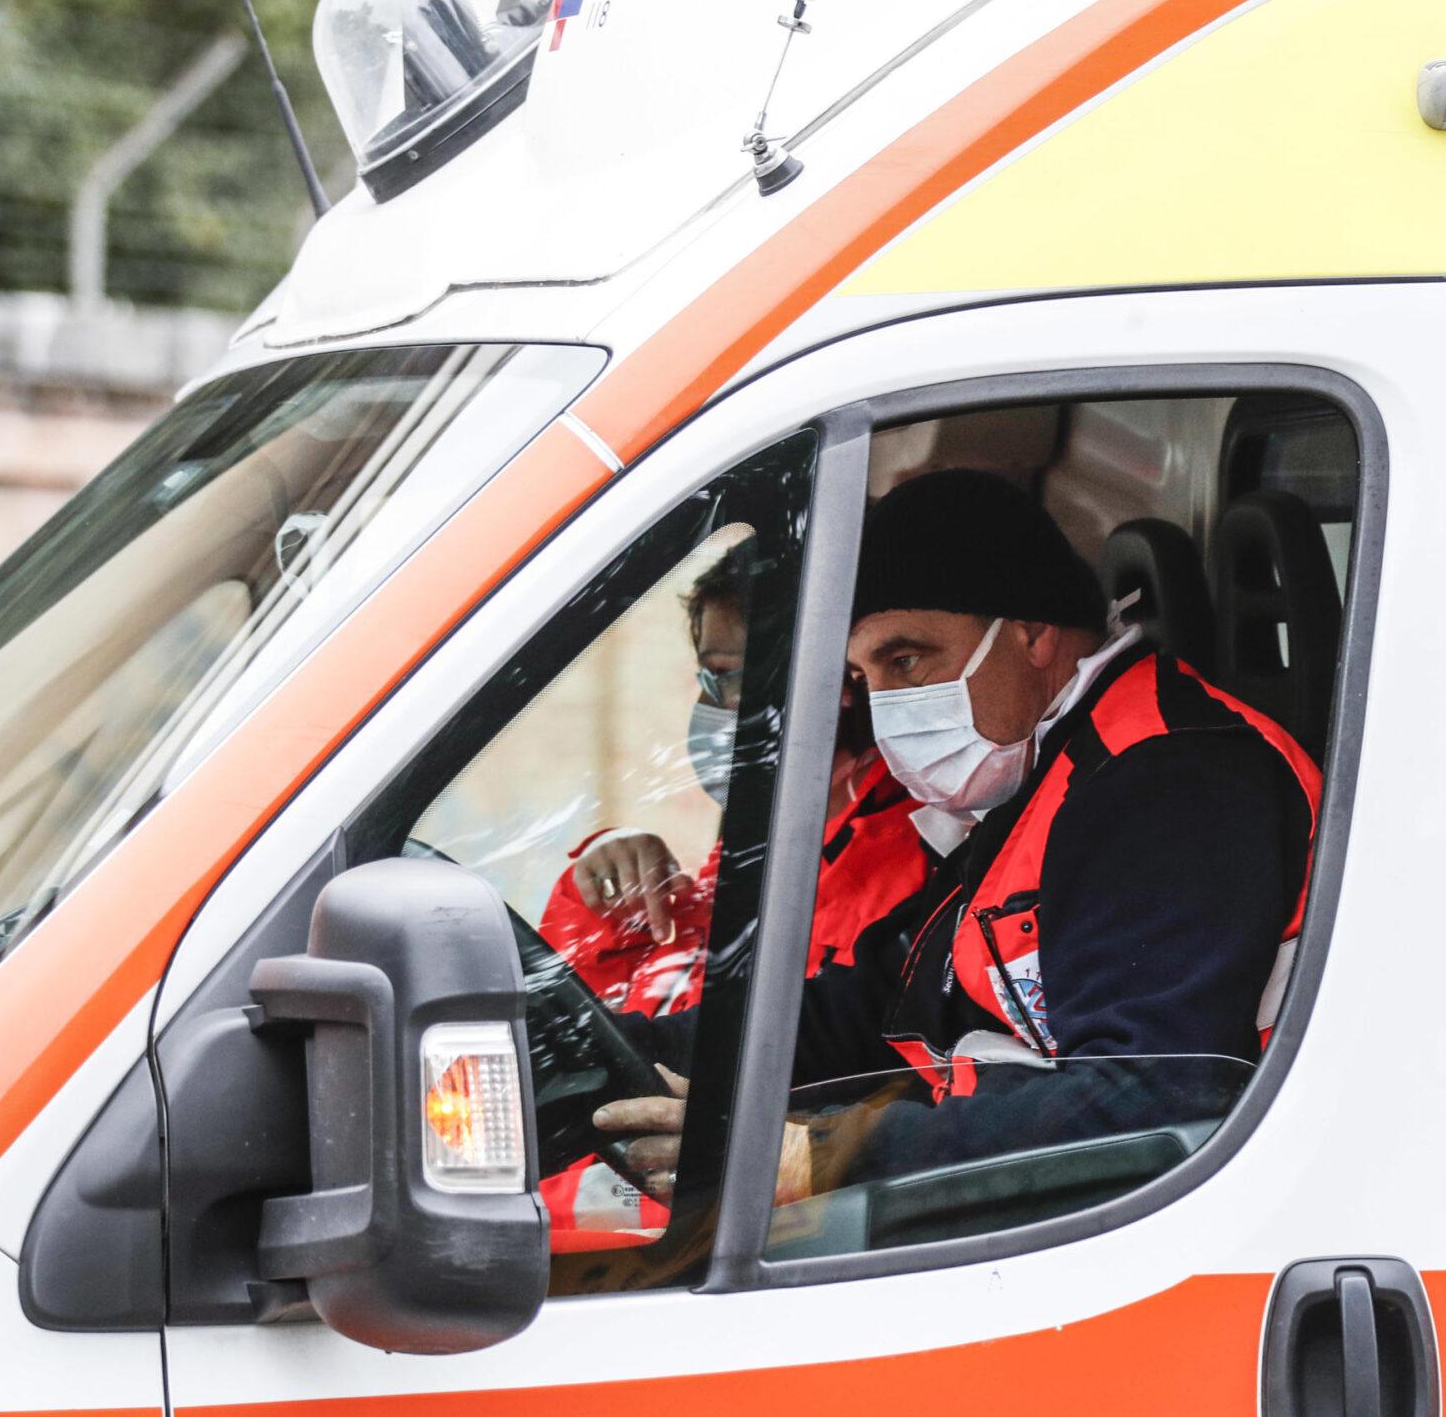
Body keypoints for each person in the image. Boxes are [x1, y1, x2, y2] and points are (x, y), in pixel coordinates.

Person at [595, 468, 1321, 1208]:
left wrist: (825, 1156)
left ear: (1032, 631)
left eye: (908, 660)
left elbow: (1153, 1101)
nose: (885, 705)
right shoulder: (1038, 773)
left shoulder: (1171, 780)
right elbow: (876, 1002)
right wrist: (628, 1056)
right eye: (864, 673)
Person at [536, 542, 932, 1247]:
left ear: (828, 685)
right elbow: (655, 1011)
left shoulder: (890, 866)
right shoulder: (781, 829)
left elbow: (720, 1049)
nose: (707, 708)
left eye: (725, 679)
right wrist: (600, 894)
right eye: (705, 679)